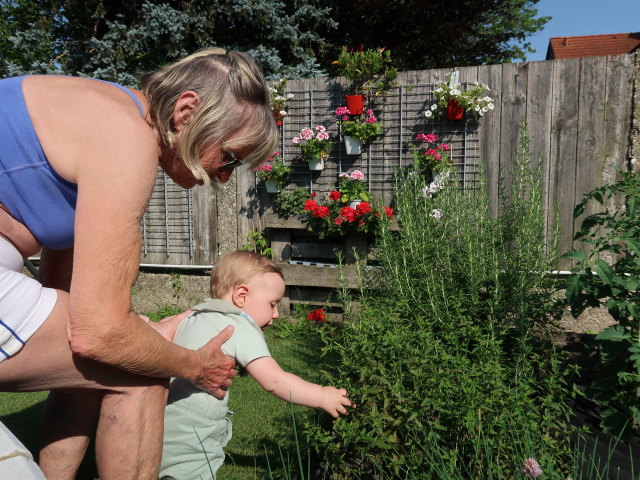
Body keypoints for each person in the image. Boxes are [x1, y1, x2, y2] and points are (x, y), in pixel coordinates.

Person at [0, 48, 278, 480]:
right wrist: (194, 365)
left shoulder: (101, 114)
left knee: (129, 350)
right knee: (141, 368)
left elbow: (72, 309)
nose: (225, 176)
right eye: (230, 157)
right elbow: (101, 333)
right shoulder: (125, 135)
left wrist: (124, 334)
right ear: (186, 112)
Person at [158, 251, 352, 479]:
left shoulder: (193, 316)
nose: (277, 314)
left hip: (160, 422)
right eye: (273, 304)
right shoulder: (238, 324)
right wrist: (321, 396)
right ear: (242, 296)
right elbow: (274, 380)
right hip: (192, 435)